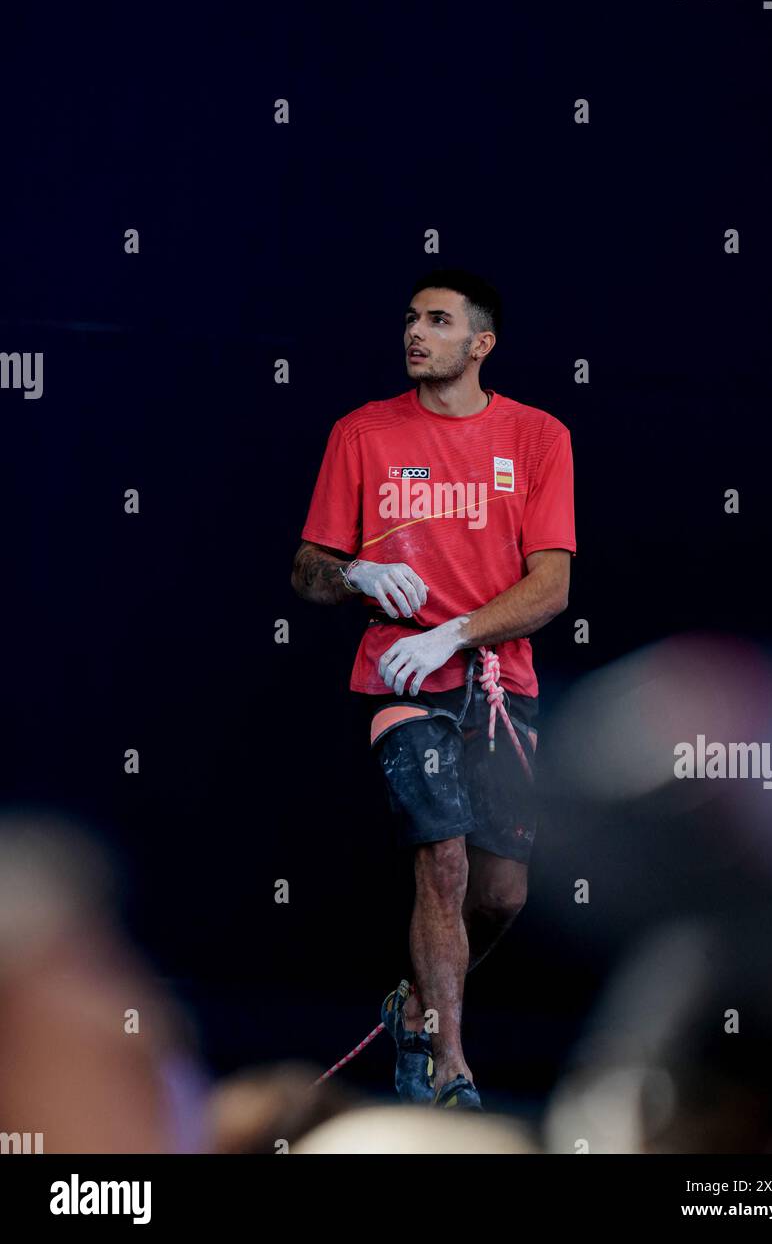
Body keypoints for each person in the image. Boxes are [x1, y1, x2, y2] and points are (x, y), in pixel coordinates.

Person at [291, 268, 576, 1110]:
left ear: (480, 343)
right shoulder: (362, 433)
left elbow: (551, 588)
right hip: (399, 677)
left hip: (496, 679)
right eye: (412, 318)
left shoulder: (537, 436)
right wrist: (358, 573)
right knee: (442, 863)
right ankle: (448, 1063)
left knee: (501, 895)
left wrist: (457, 630)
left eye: (439, 321)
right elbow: (308, 571)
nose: (417, 332)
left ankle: (415, 1006)